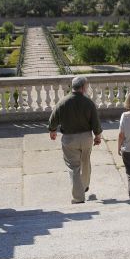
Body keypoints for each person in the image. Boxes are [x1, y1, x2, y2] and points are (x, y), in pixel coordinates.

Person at [48, 76, 102, 204]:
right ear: (83, 87)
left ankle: (78, 198)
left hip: (70, 139)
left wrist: (52, 130)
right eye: (87, 86)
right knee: (85, 161)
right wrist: (98, 136)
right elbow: (96, 122)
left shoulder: (63, 102)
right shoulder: (88, 102)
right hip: (86, 138)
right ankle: (84, 185)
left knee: (74, 167)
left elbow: (52, 120)